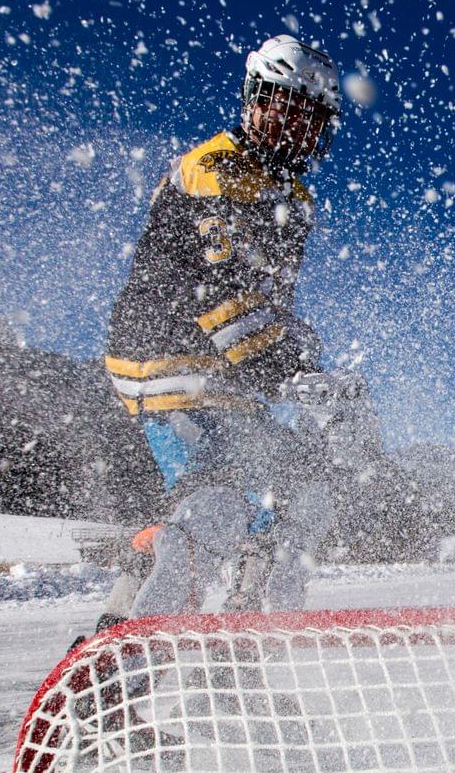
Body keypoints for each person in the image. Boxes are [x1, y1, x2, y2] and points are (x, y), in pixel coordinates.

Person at [103, 34, 373, 616]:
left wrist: (319, 379)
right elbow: (221, 294)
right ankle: (113, 667)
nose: (298, 133)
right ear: (254, 102)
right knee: (217, 503)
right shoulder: (214, 169)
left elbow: (269, 306)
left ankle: (245, 643)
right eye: (285, 114)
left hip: (227, 371)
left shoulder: (294, 197)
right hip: (164, 357)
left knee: (305, 489)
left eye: (312, 122)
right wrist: (291, 375)